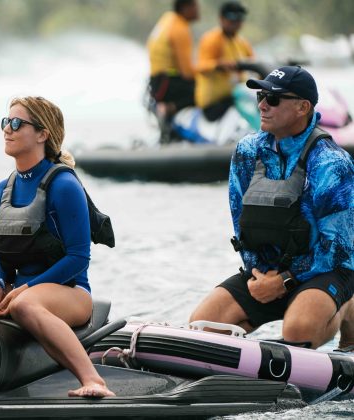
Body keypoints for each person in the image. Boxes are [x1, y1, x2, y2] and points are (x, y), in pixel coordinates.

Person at [189, 66, 354, 350]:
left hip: (326, 270)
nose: (263, 105)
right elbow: (241, 224)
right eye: (261, 96)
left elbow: (337, 249)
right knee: (201, 326)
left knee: (299, 332)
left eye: (274, 99)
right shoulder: (246, 152)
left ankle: (347, 308)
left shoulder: (332, 164)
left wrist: (286, 282)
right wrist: (260, 277)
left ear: (303, 107)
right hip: (268, 271)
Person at [0, 96, 115, 398]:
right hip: (21, 289)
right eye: (5, 122)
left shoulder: (64, 185)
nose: (7, 129)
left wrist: (28, 288)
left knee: (23, 304)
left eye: (17, 123)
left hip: (70, 293)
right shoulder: (2, 190)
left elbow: (79, 258)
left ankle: (93, 380)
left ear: (42, 134)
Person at [195, 1, 254, 121]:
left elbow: (254, 64)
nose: (236, 23)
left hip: (236, 97)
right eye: (232, 18)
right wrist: (219, 65)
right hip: (214, 104)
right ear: (221, 19)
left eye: (240, 19)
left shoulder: (242, 43)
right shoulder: (211, 39)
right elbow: (200, 67)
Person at [146, 0, 199, 121]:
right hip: (166, 83)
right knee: (203, 91)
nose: (198, 10)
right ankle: (168, 109)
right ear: (185, 7)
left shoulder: (168, 17)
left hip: (155, 81)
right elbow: (187, 73)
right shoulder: (180, 28)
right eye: (195, 6)